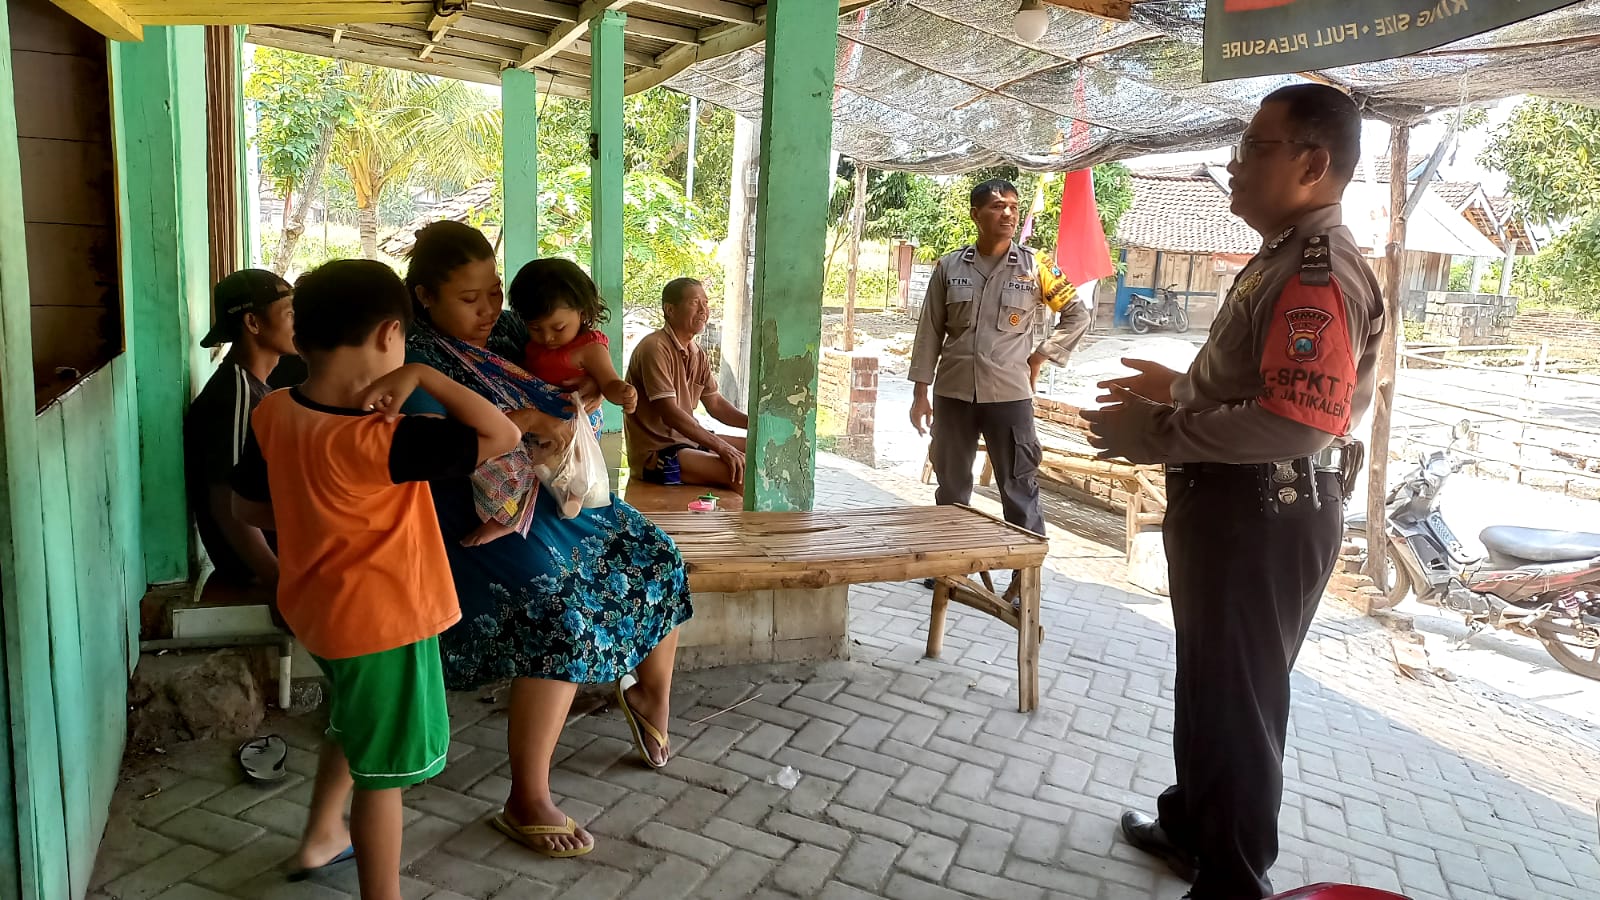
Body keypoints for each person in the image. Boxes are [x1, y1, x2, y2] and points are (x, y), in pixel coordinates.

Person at [1081, 84, 1382, 900]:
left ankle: (1233, 881)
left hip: (1266, 511)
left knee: (1241, 699)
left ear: (1313, 164)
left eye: (1254, 147)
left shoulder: (1320, 269)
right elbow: (1264, 379)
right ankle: (1192, 829)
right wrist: (1183, 387)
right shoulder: (1285, 250)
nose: (1235, 163)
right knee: (1210, 680)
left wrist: (1160, 433)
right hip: (1237, 509)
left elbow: (1297, 423)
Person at [399, 221, 693, 858]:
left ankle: (648, 696)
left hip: (553, 497)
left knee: (655, 554)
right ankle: (525, 797)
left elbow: (572, 382)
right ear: (425, 296)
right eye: (468, 298)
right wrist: (531, 424)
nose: (488, 311)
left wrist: (579, 397)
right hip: (473, 514)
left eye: (493, 292)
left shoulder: (512, 334)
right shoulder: (412, 362)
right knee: (555, 611)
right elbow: (441, 457)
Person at [230, 259, 522, 898]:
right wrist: (422, 373)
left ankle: (321, 836)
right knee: (384, 778)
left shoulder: (275, 411)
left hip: (317, 610)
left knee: (352, 722)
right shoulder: (385, 438)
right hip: (384, 622)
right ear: (392, 334)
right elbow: (501, 434)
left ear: (302, 336)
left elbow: (248, 508)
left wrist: (317, 511)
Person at [908, 179, 1092, 593]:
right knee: (951, 484)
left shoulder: (1036, 267)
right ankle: (950, 565)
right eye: (996, 206)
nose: (1007, 213)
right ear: (976, 215)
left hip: (1010, 396)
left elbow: (1078, 315)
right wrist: (920, 393)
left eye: (1012, 206)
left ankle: (1023, 576)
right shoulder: (949, 267)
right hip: (953, 394)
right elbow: (929, 333)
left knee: (1018, 484)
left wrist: (1042, 354)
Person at [457, 257, 640, 546]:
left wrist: (622, 393)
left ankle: (563, 500)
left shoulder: (589, 346)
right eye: (536, 329)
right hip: (541, 422)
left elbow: (609, 381)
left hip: (574, 419)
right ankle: (514, 514)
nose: (548, 338)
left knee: (562, 465)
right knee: (529, 466)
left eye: (558, 328)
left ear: (582, 312)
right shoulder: (522, 338)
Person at [185, 269, 296, 591]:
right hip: (253, 571)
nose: (297, 324)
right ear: (253, 323)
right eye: (289, 314)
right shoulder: (236, 395)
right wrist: (274, 578)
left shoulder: (255, 387)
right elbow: (226, 500)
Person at [624, 277, 749, 490]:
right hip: (659, 452)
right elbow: (670, 413)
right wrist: (722, 448)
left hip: (689, 441)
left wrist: (756, 426)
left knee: (763, 451)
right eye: (694, 302)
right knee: (743, 473)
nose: (703, 310)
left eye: (706, 303)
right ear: (670, 309)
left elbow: (715, 404)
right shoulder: (654, 347)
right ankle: (755, 524)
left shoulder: (697, 353)